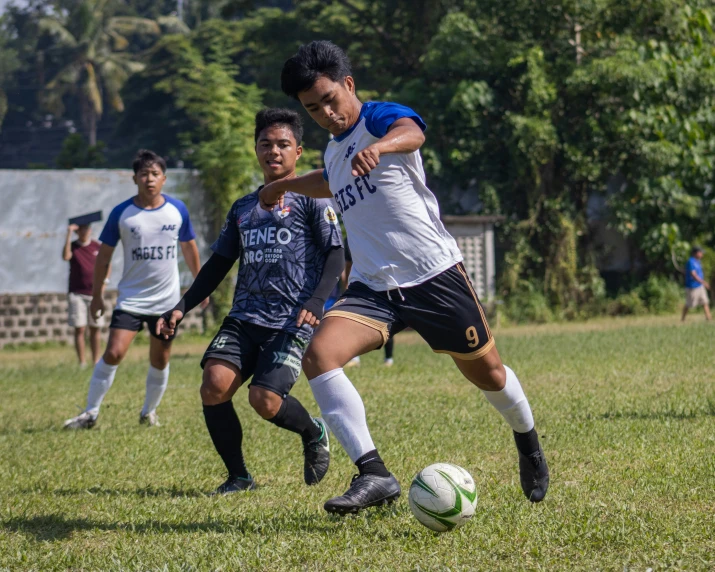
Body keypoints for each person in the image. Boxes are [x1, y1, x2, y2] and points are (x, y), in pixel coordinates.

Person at [259, 41, 549, 514]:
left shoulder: (377, 117)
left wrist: (380, 146)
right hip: (374, 287)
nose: (326, 113)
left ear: (348, 85)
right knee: (320, 354)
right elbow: (331, 182)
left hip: (434, 275)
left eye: (330, 99)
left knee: (490, 374)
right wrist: (283, 185)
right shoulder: (334, 152)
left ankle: (528, 441)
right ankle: (373, 473)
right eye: (313, 108)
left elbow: (412, 132)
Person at [156, 109, 344, 494]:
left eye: (282, 145)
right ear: (256, 149)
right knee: (214, 384)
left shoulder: (313, 201)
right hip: (244, 317)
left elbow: (335, 255)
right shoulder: (243, 208)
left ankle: (313, 431)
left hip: (291, 320)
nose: (273, 151)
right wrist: (181, 306)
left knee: (265, 400)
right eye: (266, 144)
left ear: (298, 152)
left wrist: (317, 300)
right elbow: (219, 263)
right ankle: (239, 476)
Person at [63, 149, 206, 429]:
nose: (149, 179)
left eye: (154, 174)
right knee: (114, 352)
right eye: (144, 174)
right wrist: (97, 297)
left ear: (164, 179)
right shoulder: (122, 213)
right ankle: (90, 413)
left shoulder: (177, 210)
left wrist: (201, 286)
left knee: (161, 357)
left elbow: (189, 248)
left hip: (166, 301)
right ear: (134, 179)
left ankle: (148, 412)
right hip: (131, 299)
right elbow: (103, 257)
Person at [62, 222, 106, 367]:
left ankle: (96, 360)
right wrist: (68, 233)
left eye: (87, 229)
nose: (85, 232)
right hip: (77, 293)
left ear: (90, 230)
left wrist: (104, 283)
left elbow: (107, 264)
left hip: (95, 293)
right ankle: (82, 362)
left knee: (95, 328)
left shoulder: (97, 246)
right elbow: (66, 256)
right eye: (81, 230)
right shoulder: (73, 247)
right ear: (77, 232)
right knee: (80, 327)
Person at [681, 246, 711, 322]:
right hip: (692, 287)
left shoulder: (698, 261)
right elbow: (693, 274)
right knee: (689, 304)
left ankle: (709, 318)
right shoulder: (691, 262)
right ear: (695, 253)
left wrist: (702, 283)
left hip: (699, 286)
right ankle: (682, 319)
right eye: (700, 253)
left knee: (705, 302)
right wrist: (704, 282)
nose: (702, 255)